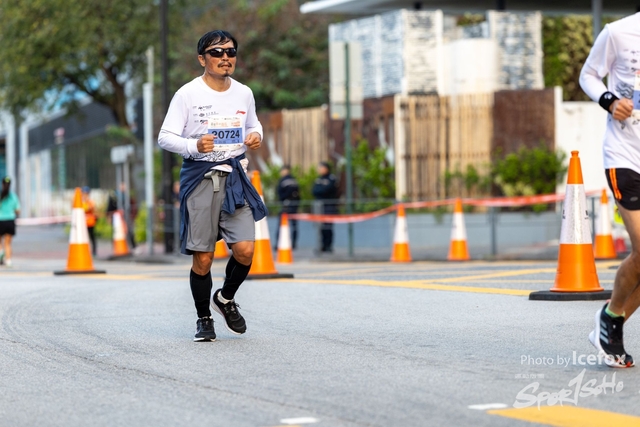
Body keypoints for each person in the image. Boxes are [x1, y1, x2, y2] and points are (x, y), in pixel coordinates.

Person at [158, 30, 266, 342]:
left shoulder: (244, 93)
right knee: (203, 258)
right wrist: (193, 145)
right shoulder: (187, 94)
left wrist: (256, 135)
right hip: (201, 179)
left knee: (245, 250)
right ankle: (204, 318)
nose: (225, 58)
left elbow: (253, 124)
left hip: (236, 179)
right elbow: (165, 137)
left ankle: (225, 298)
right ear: (202, 59)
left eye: (230, 52)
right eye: (216, 52)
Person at [579, 12, 640, 368]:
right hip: (625, 156)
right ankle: (612, 315)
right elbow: (587, 74)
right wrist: (610, 101)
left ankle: (610, 322)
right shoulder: (618, 33)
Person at [312, 161, 338, 253]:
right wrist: (321, 191)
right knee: (321, 227)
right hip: (320, 207)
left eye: (321, 168)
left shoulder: (331, 178)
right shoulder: (318, 179)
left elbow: (328, 190)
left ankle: (328, 246)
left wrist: (321, 191)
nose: (319, 170)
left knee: (328, 227)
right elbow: (314, 191)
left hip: (329, 206)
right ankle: (322, 246)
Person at [275, 165, 300, 250]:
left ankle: (279, 244)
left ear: (285, 171)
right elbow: (298, 194)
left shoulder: (283, 181)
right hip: (294, 206)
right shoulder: (294, 180)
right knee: (294, 225)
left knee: (282, 225)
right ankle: (293, 244)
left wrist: (282, 199)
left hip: (285, 206)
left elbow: (280, 193)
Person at [0, 177, 21, 267]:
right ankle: (8, 261)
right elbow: (18, 210)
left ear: (2, 184)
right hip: (10, 221)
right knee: (8, 243)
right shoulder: (13, 196)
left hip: (0, 220)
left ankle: (1, 252)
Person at [82, 186, 97, 256]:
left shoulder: (90, 201)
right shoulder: (81, 202)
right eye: (84, 193)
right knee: (84, 238)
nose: (85, 195)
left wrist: (86, 204)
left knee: (92, 237)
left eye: (86, 193)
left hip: (90, 222)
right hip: (83, 223)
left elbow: (90, 208)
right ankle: (85, 251)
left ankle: (94, 251)